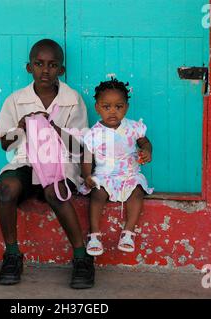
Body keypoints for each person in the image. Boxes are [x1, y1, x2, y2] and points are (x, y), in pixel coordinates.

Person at [0, 39, 94, 289]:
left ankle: (82, 258)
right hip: (27, 161)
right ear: (29, 68)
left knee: (54, 192)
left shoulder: (72, 99)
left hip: (60, 162)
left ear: (61, 70)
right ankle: (13, 254)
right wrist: (21, 126)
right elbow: (6, 144)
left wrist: (55, 128)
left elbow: (79, 147)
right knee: (7, 188)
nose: (45, 70)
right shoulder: (16, 100)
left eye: (52, 65)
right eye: (39, 64)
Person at [79, 78, 154, 256]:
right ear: (97, 108)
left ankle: (128, 232)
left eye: (118, 107)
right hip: (104, 176)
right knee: (97, 194)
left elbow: (145, 142)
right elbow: (87, 158)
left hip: (129, 174)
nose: (113, 112)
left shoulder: (133, 127)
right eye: (107, 107)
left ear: (126, 107)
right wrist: (87, 176)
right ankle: (94, 234)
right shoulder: (93, 134)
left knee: (137, 191)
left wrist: (146, 151)